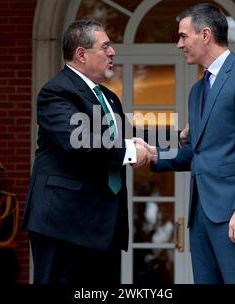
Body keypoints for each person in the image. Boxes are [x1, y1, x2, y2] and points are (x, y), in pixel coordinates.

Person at [135, 4, 235, 284]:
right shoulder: (197, 90)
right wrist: (154, 154)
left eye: (184, 36)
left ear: (206, 34)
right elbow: (196, 152)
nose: (179, 44)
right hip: (200, 216)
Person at [21, 20, 149, 284]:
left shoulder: (109, 97)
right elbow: (78, 140)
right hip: (62, 224)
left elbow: (124, 138)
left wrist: (178, 139)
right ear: (81, 54)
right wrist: (129, 150)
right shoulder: (56, 92)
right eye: (106, 47)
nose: (112, 52)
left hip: (104, 226)